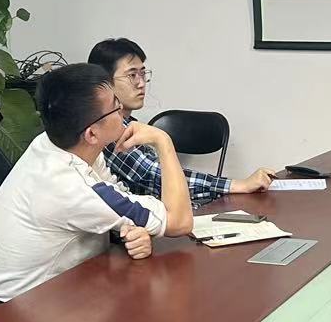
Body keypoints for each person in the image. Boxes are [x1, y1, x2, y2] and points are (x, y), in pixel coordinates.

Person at [0, 61, 193, 302]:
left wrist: (134, 228)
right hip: (19, 308)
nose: (123, 111)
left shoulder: (56, 143)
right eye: (116, 106)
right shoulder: (70, 186)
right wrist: (163, 142)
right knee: (163, 302)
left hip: (71, 284)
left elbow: (117, 197)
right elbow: (180, 222)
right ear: (91, 133)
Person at [87, 38, 274, 208]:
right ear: (104, 83)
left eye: (143, 74)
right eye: (132, 75)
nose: (141, 83)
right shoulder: (105, 130)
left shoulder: (128, 123)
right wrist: (238, 185)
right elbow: (154, 176)